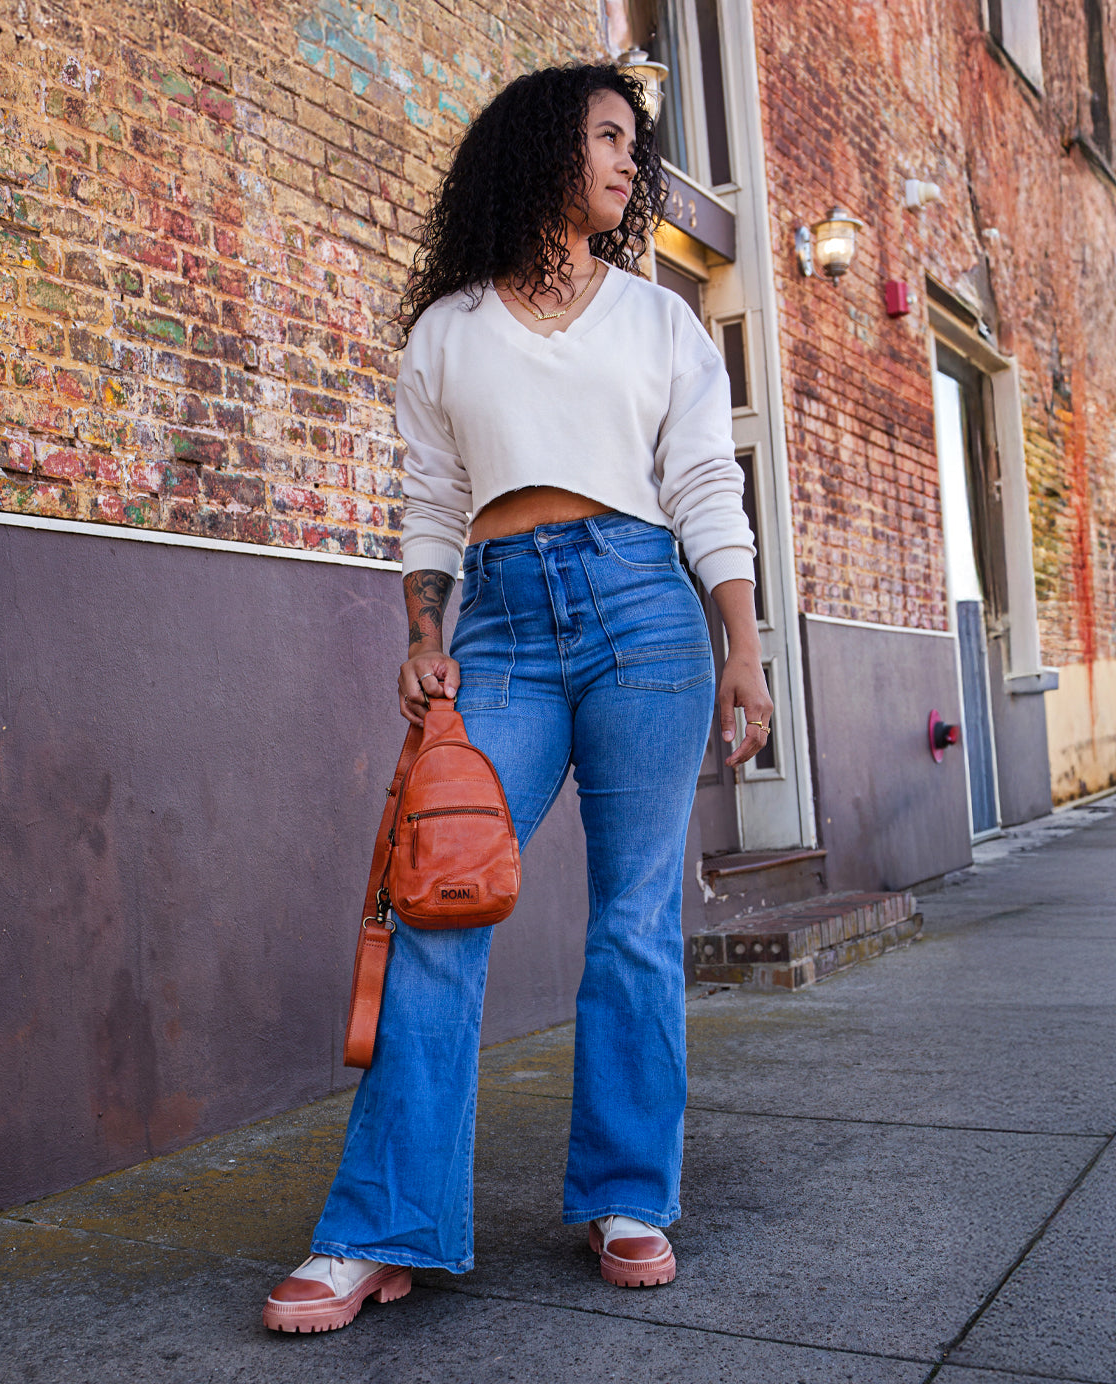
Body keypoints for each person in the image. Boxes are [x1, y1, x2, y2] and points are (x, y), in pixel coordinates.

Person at [263, 61, 772, 1335]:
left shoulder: (661, 324)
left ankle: (625, 1195)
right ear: (541, 150)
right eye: (603, 137)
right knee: (439, 902)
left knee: (637, 916)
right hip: (501, 623)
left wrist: (746, 650)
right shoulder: (448, 332)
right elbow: (434, 508)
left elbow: (707, 488)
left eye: (631, 142)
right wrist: (423, 631)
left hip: (647, 614)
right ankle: (381, 1229)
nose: (623, 160)